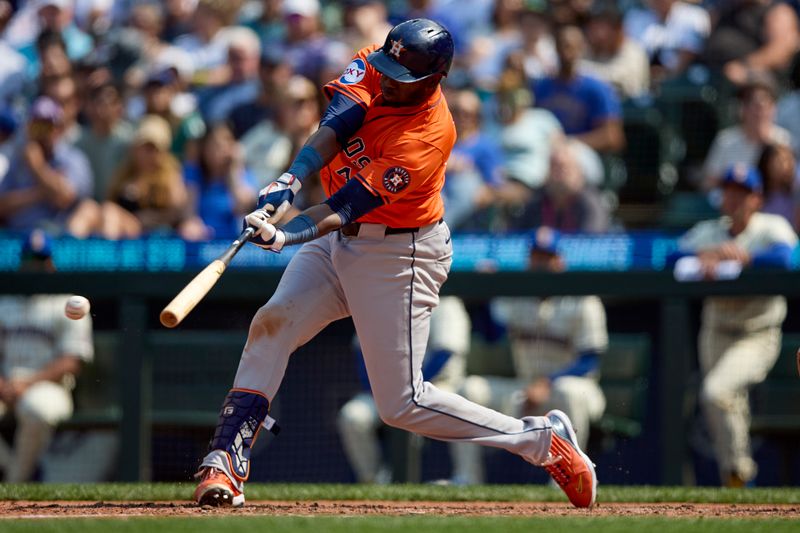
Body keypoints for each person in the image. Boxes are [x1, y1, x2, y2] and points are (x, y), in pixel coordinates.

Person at [192, 18, 597, 509]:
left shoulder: (428, 136)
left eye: (401, 77)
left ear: (434, 79)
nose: (386, 80)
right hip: (343, 242)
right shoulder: (376, 60)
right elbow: (335, 126)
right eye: (386, 68)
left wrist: (286, 232)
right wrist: (289, 181)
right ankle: (226, 460)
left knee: (402, 403)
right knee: (271, 323)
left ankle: (542, 441)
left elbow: (344, 206)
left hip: (399, 254)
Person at [670, 164, 798, 487]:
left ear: (756, 199)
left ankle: (740, 475)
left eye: (742, 193)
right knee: (725, 402)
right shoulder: (711, 231)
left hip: (757, 331)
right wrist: (708, 254)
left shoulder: (771, 227)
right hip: (716, 329)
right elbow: (670, 257)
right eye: (729, 191)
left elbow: (787, 258)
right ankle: (738, 482)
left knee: (716, 392)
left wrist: (746, 258)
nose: (734, 198)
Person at [450, 228, 607, 485]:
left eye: (548, 257)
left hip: (576, 389)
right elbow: (492, 335)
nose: (541, 263)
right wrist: (486, 290)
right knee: (469, 390)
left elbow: (590, 359)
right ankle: (467, 477)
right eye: (536, 256)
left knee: (568, 390)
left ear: (561, 261)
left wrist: (548, 382)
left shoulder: (583, 298)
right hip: (526, 386)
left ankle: (566, 481)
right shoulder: (518, 293)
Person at [337, 296, 469, 483]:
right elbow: (362, 352)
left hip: (436, 385)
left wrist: (408, 387)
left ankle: (464, 479)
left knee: (454, 409)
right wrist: (379, 389)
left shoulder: (447, 303)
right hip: (385, 389)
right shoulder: (380, 298)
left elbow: (444, 354)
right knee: (352, 416)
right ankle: (373, 482)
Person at [0, 230, 94, 482]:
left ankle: (14, 484)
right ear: (21, 263)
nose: (34, 266)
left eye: (39, 261)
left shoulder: (64, 301)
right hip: (6, 384)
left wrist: (26, 383)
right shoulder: (4, 302)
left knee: (37, 410)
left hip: (48, 387)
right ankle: (10, 469)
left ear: (50, 264)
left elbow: (71, 361)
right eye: (29, 260)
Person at [67, 114, 193, 239]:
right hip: (118, 224)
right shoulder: (125, 172)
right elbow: (110, 200)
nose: (147, 154)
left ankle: (107, 256)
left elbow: (176, 213)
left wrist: (145, 215)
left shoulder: (170, 175)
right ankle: (65, 253)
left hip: (147, 233)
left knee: (111, 213)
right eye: (144, 147)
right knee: (88, 208)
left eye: (153, 148)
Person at [0, 96, 92, 232]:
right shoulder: (18, 160)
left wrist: (37, 167)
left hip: (58, 238)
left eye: (47, 126)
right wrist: (41, 192)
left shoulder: (74, 159)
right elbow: (2, 205)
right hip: (18, 238)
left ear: (59, 129)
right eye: (36, 126)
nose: (41, 133)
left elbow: (64, 198)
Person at [533, 25, 625, 154]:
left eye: (571, 47)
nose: (566, 53)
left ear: (582, 48)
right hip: (546, 153)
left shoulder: (596, 88)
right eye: (562, 46)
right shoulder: (541, 87)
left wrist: (570, 143)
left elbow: (612, 137)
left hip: (583, 155)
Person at [702, 75, 791, 190]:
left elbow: (790, 186)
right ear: (742, 109)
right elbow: (709, 183)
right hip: (734, 206)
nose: (758, 112)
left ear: (773, 108)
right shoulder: (725, 141)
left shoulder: (784, 140)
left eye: (763, 106)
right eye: (752, 105)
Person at [509, 139, 611, 233]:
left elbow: (592, 242)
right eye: (554, 166)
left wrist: (554, 242)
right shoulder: (536, 201)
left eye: (564, 167)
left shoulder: (591, 203)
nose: (558, 174)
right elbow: (518, 237)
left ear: (581, 172)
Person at [183, 123, 256, 240]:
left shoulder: (243, 174)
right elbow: (189, 212)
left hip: (233, 242)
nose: (219, 148)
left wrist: (234, 170)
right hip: (201, 242)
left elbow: (242, 207)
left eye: (226, 142)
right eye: (214, 144)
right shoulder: (194, 172)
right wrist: (192, 223)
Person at [702, 0, 800, 86]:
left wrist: (744, 66)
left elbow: (781, 51)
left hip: (754, 81)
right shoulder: (724, 11)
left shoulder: (777, 12)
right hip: (711, 75)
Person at [623, 0, 710, 83]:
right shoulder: (635, 18)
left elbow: (688, 54)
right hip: (645, 81)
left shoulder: (695, 16)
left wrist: (666, 75)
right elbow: (631, 56)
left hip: (686, 82)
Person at [581, 4, 650, 99]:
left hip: (629, 110)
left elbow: (626, 84)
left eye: (601, 27)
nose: (595, 33)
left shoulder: (634, 51)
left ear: (618, 29)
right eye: (592, 26)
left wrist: (581, 70)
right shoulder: (591, 50)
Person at [756, 143, 800, 229]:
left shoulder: (796, 191)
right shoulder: (755, 191)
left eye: (788, 160)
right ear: (766, 163)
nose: (786, 166)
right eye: (780, 161)